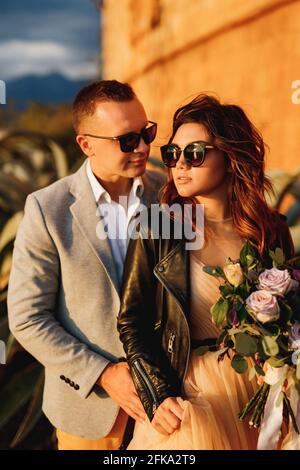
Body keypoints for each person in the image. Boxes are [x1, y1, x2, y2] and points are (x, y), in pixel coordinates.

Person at [117, 94, 295, 450]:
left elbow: (292, 313)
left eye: (194, 153)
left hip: (262, 393)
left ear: (230, 158)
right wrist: (158, 396)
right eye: (172, 154)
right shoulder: (157, 228)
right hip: (190, 399)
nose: (180, 164)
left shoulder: (269, 228)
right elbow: (131, 321)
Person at [7, 80, 165, 450]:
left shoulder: (168, 193)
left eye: (147, 133)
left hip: (172, 406)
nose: (142, 147)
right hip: (91, 414)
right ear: (86, 144)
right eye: (127, 140)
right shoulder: (47, 209)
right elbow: (27, 318)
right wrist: (105, 374)